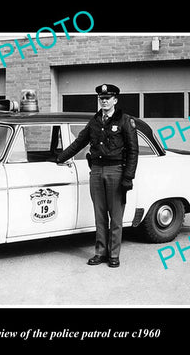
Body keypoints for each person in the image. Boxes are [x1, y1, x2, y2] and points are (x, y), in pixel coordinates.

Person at [56, 84, 138, 267]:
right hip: (96, 171)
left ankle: (114, 255)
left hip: (116, 171)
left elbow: (133, 151)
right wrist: (60, 158)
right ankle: (101, 252)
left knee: (116, 216)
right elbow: (79, 142)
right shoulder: (95, 121)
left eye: (108, 98)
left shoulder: (125, 121)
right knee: (99, 215)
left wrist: (128, 177)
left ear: (115, 100)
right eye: (102, 98)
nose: (104, 101)